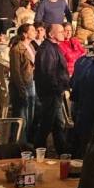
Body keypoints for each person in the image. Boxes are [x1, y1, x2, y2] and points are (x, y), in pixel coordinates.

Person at [34, 23, 71, 153]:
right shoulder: (47, 50)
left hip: (55, 92)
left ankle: (62, 151)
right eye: (60, 31)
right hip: (51, 93)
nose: (64, 33)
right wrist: (58, 88)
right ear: (51, 34)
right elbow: (48, 74)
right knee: (46, 125)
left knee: (57, 124)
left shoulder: (53, 47)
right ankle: (38, 152)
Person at [9, 23, 37, 141]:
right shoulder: (16, 49)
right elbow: (15, 72)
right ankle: (18, 141)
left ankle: (28, 140)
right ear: (25, 34)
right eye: (32, 30)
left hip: (31, 82)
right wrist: (21, 89)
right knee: (21, 114)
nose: (35, 32)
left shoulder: (31, 46)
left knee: (30, 113)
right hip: (21, 85)